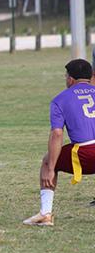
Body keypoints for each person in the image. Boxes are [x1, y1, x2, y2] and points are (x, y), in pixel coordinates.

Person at [23, 59, 95, 226]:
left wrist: (50, 168)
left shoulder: (60, 99)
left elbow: (57, 134)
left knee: (48, 160)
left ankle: (45, 214)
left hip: (85, 154)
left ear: (70, 79)